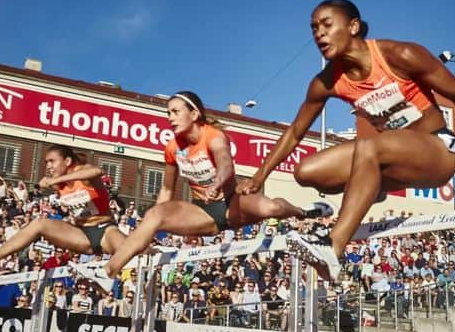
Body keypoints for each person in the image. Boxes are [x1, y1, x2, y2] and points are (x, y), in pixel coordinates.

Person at [239, 0, 455, 277]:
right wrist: (260, 176)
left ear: (353, 26)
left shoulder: (400, 55)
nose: (318, 34)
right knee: (306, 171)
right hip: (395, 159)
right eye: (314, 28)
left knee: (368, 147)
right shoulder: (326, 82)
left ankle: (333, 246)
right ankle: (374, 186)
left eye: (327, 25)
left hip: (440, 149)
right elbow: (294, 132)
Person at [102, 91, 331, 278]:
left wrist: (217, 183)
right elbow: (167, 189)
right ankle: (108, 272)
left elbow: (225, 164)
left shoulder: (213, 136)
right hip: (202, 211)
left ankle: (303, 211)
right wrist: (153, 225)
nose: (169, 117)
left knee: (273, 209)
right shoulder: (172, 147)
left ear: (194, 114)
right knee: (153, 215)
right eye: (168, 112)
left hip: (232, 203)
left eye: (175, 112)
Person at [0, 145, 126, 281]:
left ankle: (108, 278)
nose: (48, 166)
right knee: (39, 223)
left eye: (52, 161)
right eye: (46, 162)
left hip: (105, 230)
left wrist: (55, 180)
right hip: (81, 235)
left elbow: (97, 171)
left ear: (67, 161)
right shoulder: (57, 186)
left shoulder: (84, 172)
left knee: (132, 252)